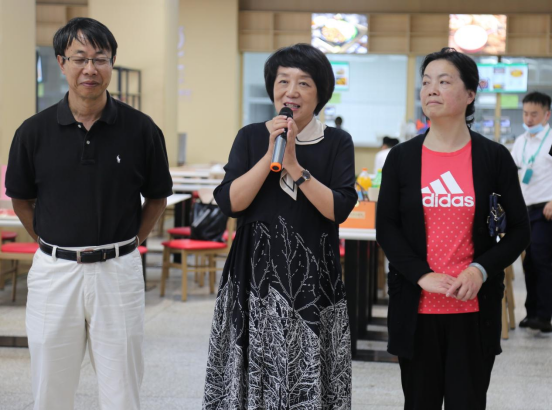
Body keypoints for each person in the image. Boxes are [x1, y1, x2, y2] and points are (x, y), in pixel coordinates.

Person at [5, 18, 173, 410]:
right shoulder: (33, 132)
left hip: (119, 272)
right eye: (79, 58)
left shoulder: (142, 130)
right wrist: (51, 240)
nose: (90, 69)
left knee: (122, 390)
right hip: (54, 272)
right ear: (61, 63)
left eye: (100, 59)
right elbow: (21, 199)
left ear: (112, 63)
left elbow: (157, 198)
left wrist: (131, 242)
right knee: (50, 389)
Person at [203, 43, 357, 410]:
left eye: (304, 83)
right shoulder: (252, 136)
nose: (291, 91)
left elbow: (338, 208)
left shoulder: (337, 142)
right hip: (253, 276)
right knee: (252, 370)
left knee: (307, 370)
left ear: (320, 92)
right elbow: (230, 202)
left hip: (312, 275)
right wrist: (270, 156)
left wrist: (294, 165)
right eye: (283, 81)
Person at [376, 47, 531, 410]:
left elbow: (519, 230)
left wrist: (480, 270)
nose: (431, 89)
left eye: (444, 82)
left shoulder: (493, 157)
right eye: (426, 82)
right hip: (417, 310)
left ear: (470, 94)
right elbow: (387, 228)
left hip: (474, 311)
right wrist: (421, 275)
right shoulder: (402, 158)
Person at [511, 91, 552, 333]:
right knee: (528, 262)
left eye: (534, 114)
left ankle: (544, 316)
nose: (528, 119)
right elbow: (513, 172)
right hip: (524, 209)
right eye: (525, 113)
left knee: (541, 260)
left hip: (546, 209)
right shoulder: (521, 141)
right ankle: (531, 312)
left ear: (547, 115)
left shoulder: (550, 140)